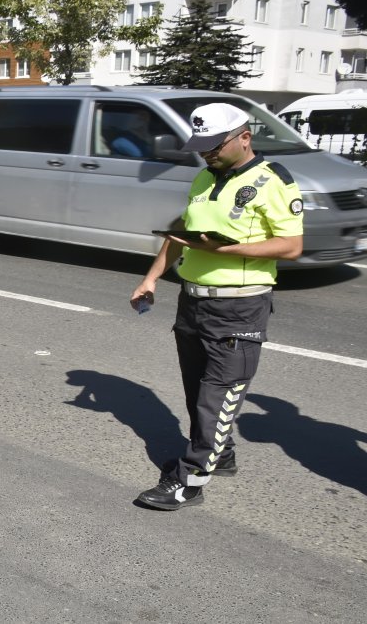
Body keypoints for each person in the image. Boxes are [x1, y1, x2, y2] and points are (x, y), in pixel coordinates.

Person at [129, 102, 303, 511]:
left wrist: (226, 248)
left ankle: (190, 481)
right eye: (202, 146)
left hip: (239, 308)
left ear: (245, 137)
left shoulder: (272, 180)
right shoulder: (204, 177)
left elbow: (292, 245)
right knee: (196, 390)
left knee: (218, 395)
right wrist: (151, 277)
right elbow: (181, 234)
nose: (207, 153)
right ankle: (217, 453)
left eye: (215, 145)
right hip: (193, 302)